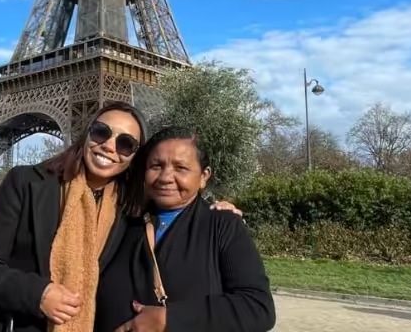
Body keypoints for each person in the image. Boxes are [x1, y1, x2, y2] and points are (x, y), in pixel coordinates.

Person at [0, 102, 242, 332]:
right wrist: (37, 294)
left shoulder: (130, 208)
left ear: (135, 156)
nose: (110, 146)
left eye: (125, 143)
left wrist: (215, 209)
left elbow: (177, 199)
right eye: (101, 133)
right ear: (87, 134)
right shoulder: (27, 183)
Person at [95, 126, 276, 332]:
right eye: (156, 166)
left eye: (181, 168)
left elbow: (258, 307)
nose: (165, 177)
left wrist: (169, 319)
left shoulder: (222, 225)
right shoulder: (124, 220)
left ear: (203, 176)